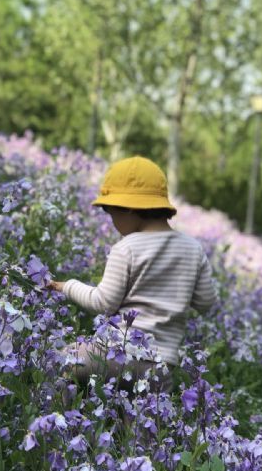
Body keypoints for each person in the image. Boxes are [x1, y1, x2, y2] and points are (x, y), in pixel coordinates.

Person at [47, 155, 218, 394]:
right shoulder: (193, 249)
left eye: (110, 211)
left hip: (115, 355)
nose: (111, 219)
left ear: (128, 208)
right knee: (140, 425)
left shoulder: (127, 248)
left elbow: (102, 303)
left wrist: (66, 286)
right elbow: (206, 302)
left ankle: (57, 426)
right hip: (161, 368)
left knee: (57, 363)